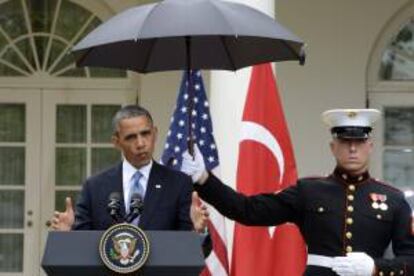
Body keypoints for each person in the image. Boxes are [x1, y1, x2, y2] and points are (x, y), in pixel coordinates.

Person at [183, 109, 414, 276]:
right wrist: (204, 179)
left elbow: (410, 261)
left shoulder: (393, 199)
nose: (353, 148)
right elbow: (248, 210)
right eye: (345, 141)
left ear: (370, 146)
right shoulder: (310, 191)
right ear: (333, 147)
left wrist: (376, 268)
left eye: (359, 141)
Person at [51, 104, 193, 231]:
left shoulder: (179, 184)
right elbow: (81, 245)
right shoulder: (94, 187)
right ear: (116, 142)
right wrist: (68, 234)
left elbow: (195, 249)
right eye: (131, 137)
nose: (140, 143)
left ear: (155, 133)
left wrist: (198, 230)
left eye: (145, 134)